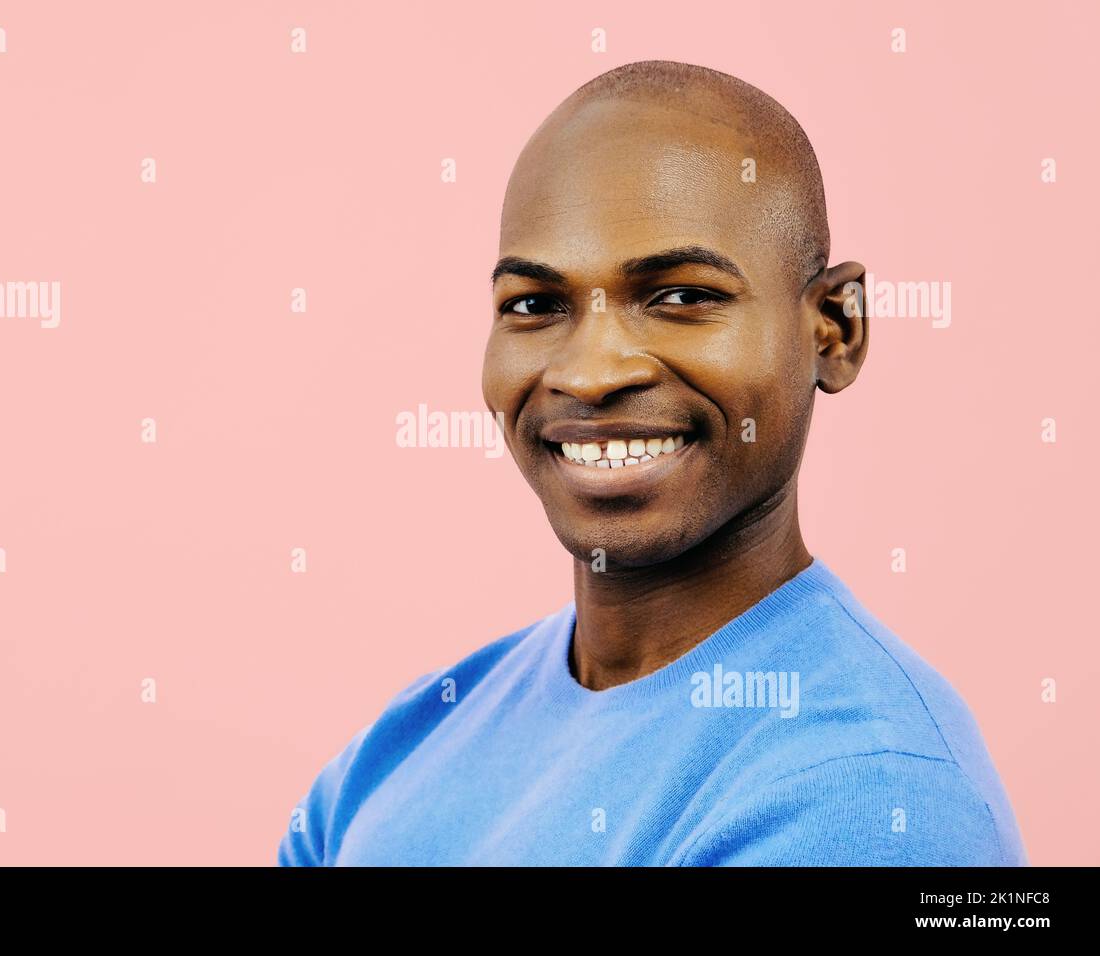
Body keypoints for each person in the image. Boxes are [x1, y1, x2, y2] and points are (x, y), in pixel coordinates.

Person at [278, 60, 1026, 866]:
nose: (592, 373)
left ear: (835, 331)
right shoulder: (410, 743)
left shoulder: (873, 797)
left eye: (681, 297)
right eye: (535, 305)